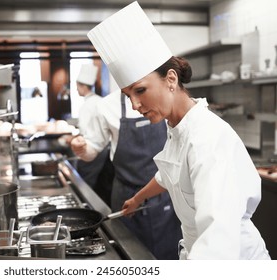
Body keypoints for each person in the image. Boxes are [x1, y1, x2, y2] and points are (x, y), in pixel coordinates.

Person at [87, 1, 271, 260]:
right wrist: (139, 198)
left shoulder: (208, 140)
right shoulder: (177, 128)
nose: (135, 105)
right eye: (128, 95)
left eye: (140, 90)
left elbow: (218, 243)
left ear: (171, 79)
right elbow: (168, 174)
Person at [71, 88, 182, 258]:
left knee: (169, 256)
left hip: (167, 196)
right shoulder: (106, 106)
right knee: (129, 255)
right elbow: (92, 149)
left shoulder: (166, 99)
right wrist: (82, 148)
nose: (136, 104)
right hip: (126, 198)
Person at [73, 64, 113, 203]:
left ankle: (85, 205)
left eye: (77, 85)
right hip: (105, 150)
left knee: (85, 185)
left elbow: (84, 132)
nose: (76, 89)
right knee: (100, 185)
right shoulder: (101, 101)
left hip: (92, 149)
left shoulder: (86, 105)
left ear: (82, 86)